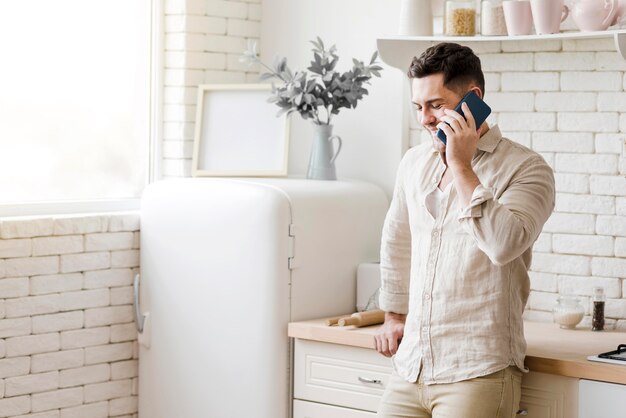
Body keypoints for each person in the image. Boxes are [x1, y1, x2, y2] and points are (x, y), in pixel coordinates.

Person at [374, 42, 555, 418]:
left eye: (436, 105)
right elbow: (398, 240)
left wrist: (461, 165)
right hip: (411, 367)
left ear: (472, 99)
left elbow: (505, 244)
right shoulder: (413, 162)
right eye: (418, 107)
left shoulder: (527, 169)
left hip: (478, 371)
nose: (424, 119)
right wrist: (394, 315)